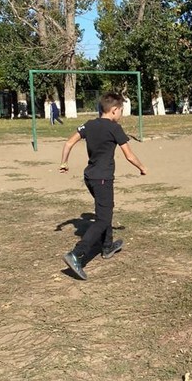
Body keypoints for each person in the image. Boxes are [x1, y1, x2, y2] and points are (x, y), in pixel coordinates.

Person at [59, 92, 147, 280]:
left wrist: (64, 162)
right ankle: (77, 254)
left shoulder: (89, 125)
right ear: (114, 110)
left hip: (90, 177)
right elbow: (129, 155)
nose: (121, 114)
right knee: (103, 218)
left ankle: (107, 246)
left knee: (105, 210)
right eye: (121, 110)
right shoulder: (115, 128)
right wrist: (142, 167)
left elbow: (68, 143)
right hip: (102, 179)